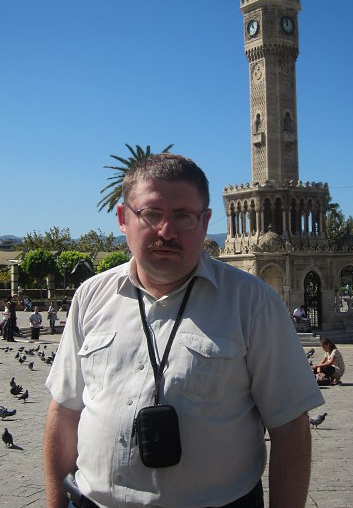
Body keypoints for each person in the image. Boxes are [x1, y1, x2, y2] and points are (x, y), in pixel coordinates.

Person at [44, 154, 324, 508]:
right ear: (123, 218)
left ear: (205, 221)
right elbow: (65, 412)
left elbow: (290, 427)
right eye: (151, 214)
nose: (167, 231)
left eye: (183, 216)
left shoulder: (253, 303)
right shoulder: (91, 296)